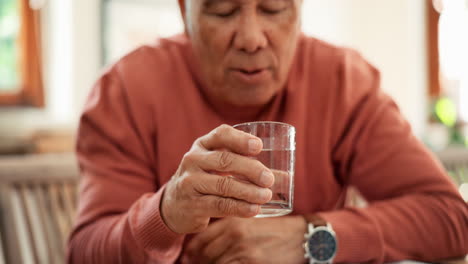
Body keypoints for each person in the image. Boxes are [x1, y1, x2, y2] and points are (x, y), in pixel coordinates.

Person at [67, 0, 468, 263]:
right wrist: (165, 214)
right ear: (184, 11)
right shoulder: (127, 89)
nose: (252, 39)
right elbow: (83, 253)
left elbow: (451, 218)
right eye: (223, 11)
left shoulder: (341, 80)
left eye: (274, 8)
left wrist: (311, 237)